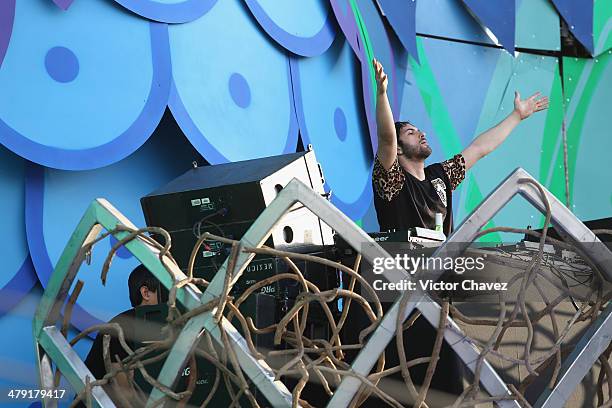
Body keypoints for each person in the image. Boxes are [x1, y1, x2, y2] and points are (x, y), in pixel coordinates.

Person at [371, 58, 549, 235]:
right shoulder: (393, 181)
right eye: (410, 133)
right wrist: (381, 93)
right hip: (399, 262)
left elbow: (479, 149)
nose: (421, 134)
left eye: (418, 130)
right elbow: (387, 139)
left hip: (442, 263)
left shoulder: (440, 176)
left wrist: (517, 115)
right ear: (398, 149)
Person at [79, 264, 160, 403]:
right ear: (146, 293)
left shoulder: (162, 324)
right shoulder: (121, 328)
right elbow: (127, 396)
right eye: (166, 289)